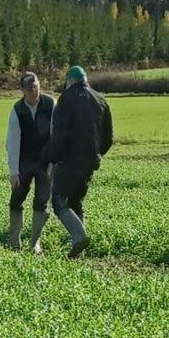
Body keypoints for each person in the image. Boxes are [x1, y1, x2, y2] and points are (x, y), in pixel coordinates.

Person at [43, 65, 114, 259]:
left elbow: (60, 134)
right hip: (89, 162)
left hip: (69, 161)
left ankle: (79, 235)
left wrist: (49, 157)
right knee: (76, 202)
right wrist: (96, 154)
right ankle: (79, 253)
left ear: (70, 81)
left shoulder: (66, 99)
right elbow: (108, 138)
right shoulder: (101, 100)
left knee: (58, 201)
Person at [5, 70, 56, 251]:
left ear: (39, 84)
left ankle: (35, 242)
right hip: (24, 163)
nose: (33, 91)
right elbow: (12, 142)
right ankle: (14, 241)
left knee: (41, 202)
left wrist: (53, 163)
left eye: (35, 87)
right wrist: (13, 172)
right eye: (29, 89)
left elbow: (55, 136)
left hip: (45, 163)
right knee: (16, 201)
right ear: (22, 90)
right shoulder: (17, 110)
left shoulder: (51, 104)